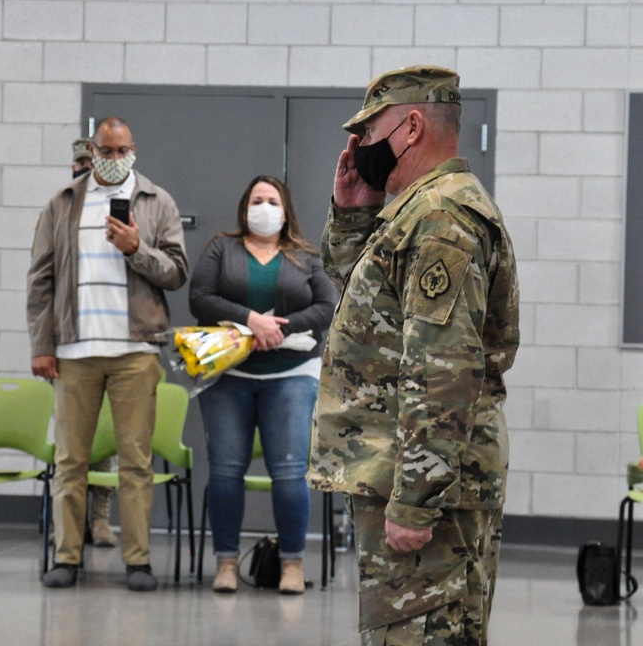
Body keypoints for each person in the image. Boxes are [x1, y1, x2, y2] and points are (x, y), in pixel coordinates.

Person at [309, 66, 520, 645]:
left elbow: (442, 370)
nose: (360, 148)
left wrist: (415, 500)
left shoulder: (441, 220)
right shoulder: (415, 209)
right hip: (408, 475)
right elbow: (369, 306)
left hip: (425, 486)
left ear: (410, 126)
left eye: (369, 132)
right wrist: (353, 211)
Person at [27, 116, 188, 591]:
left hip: (135, 351)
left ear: (133, 150)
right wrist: (42, 346)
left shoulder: (159, 202)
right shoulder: (63, 203)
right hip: (75, 350)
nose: (114, 160)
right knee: (71, 460)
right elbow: (41, 280)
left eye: (121, 151)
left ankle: (137, 562)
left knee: (135, 462)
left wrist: (136, 248)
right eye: (106, 151)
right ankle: (66, 558)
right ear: (92, 151)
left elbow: (177, 272)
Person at [189, 176, 337, 595]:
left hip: (291, 374)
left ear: (285, 210)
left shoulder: (305, 257)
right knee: (225, 470)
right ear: (244, 208)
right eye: (257, 200)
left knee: (290, 472)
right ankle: (226, 563)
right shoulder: (222, 248)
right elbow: (200, 297)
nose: (265, 207)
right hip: (228, 375)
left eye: (272, 200)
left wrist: (280, 327)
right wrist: (250, 321)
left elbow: (327, 307)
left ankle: (291, 563)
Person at [70, 136, 118, 549]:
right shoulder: (61, 210)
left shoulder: (116, 210)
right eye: (79, 166)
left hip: (111, 341)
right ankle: (68, 527)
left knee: (108, 441)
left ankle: (100, 519)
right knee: (72, 447)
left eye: (92, 164)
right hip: (72, 345)